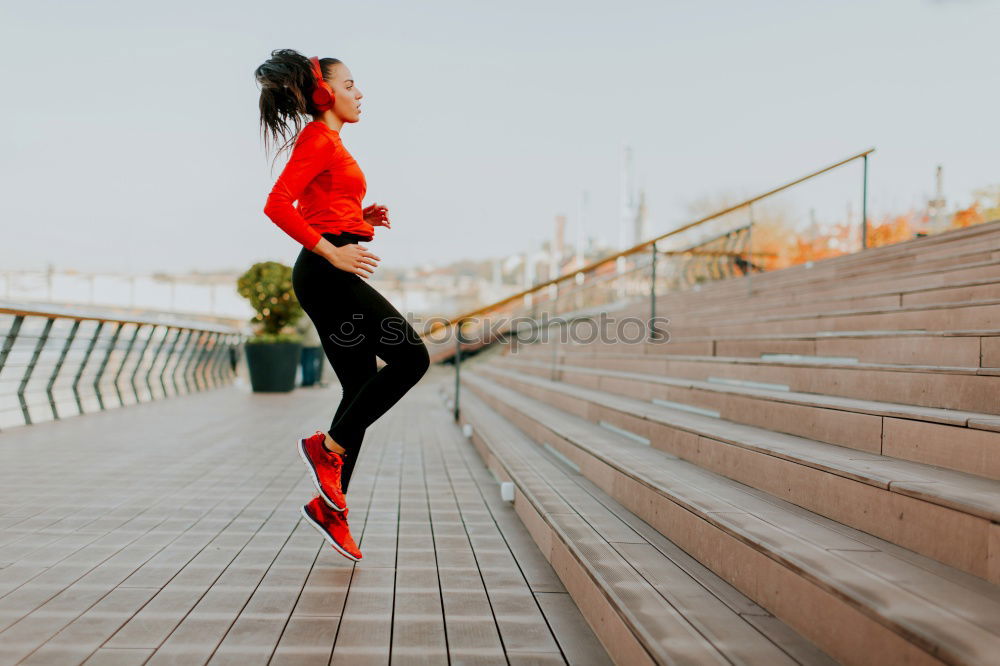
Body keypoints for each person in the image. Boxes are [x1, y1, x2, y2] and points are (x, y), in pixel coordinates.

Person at [255, 48, 431, 562]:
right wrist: (334, 249)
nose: (360, 93)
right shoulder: (317, 138)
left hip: (325, 271)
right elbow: (276, 203)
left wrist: (361, 219)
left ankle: (332, 508)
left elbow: (322, 205)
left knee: (359, 387)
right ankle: (326, 449)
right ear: (324, 91)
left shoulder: (330, 142)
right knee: (412, 358)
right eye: (350, 84)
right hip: (326, 273)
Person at [294, 315, 323, 387]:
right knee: (309, 361)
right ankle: (310, 381)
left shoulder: (304, 313)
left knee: (307, 361)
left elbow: (302, 326)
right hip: (311, 341)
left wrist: (294, 325)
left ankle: (307, 381)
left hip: (309, 342)